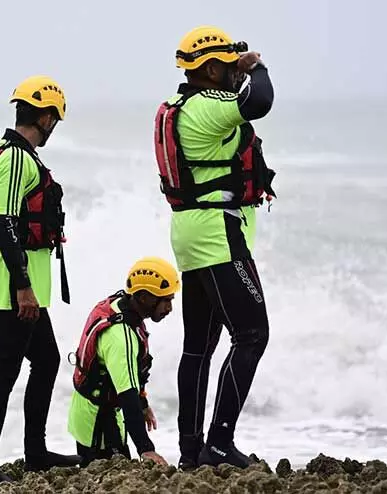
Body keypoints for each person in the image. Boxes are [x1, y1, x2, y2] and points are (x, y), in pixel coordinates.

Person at [152, 25, 277, 470]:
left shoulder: (180, 107)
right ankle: (220, 443)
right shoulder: (209, 105)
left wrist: (237, 65)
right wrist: (255, 65)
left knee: (198, 348)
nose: (232, 71)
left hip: (191, 232)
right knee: (252, 335)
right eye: (225, 65)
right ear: (208, 69)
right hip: (218, 235)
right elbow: (259, 101)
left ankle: (191, 451)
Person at [0, 74, 80, 483]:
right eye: (56, 119)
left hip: (21, 287)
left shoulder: (12, 154)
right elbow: (5, 224)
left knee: (47, 360)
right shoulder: (17, 158)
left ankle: (35, 451)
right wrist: (22, 286)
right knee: (2, 372)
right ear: (47, 117)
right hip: (13, 290)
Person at [66, 257, 180, 467]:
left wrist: (143, 403)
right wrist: (147, 449)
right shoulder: (120, 336)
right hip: (98, 421)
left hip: (91, 410)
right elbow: (127, 395)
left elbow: (130, 374)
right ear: (144, 297)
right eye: (166, 300)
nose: (170, 308)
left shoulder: (120, 304)